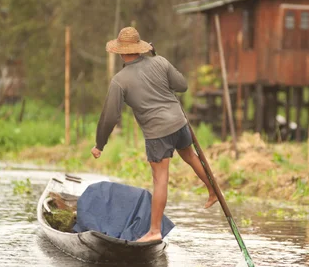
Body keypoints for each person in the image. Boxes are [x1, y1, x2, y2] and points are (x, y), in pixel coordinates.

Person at [91, 26, 218, 242]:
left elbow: (110, 116)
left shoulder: (120, 80)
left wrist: (99, 144)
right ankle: (213, 190)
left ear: (121, 52)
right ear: (141, 49)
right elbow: (182, 85)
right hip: (179, 122)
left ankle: (154, 231)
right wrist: (160, 64)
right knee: (190, 157)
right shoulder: (160, 62)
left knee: (160, 178)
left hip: (158, 132)